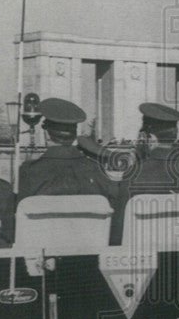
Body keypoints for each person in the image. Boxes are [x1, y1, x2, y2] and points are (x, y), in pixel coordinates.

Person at [8, 98, 116, 241]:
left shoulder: (29, 171)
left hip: (42, 255)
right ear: (74, 135)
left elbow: (14, 225)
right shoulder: (96, 170)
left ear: (46, 134)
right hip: (88, 255)